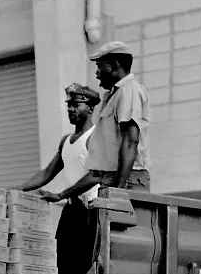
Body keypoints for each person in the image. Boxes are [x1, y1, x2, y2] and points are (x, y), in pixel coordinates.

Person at [19, 83, 102, 274]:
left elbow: (95, 175)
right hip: (72, 211)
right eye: (69, 105)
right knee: (65, 273)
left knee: (86, 272)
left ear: (90, 108)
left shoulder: (96, 137)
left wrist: (61, 194)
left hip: (92, 213)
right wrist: (19, 189)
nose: (71, 109)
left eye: (77, 105)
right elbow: (48, 172)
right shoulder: (66, 141)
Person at [41, 41, 151, 203]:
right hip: (113, 180)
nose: (97, 73)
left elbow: (130, 141)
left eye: (100, 66)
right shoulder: (113, 95)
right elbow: (97, 173)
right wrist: (61, 196)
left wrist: (118, 193)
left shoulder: (129, 90)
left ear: (115, 64)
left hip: (127, 180)